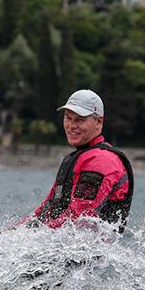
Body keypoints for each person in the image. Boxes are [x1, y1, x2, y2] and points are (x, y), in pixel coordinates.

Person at [27, 89, 134, 230]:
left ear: (99, 121)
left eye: (80, 120)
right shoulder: (77, 158)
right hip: (61, 244)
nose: (71, 126)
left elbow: (78, 216)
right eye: (68, 118)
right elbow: (43, 211)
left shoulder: (101, 161)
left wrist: (34, 236)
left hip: (92, 250)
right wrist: (8, 236)